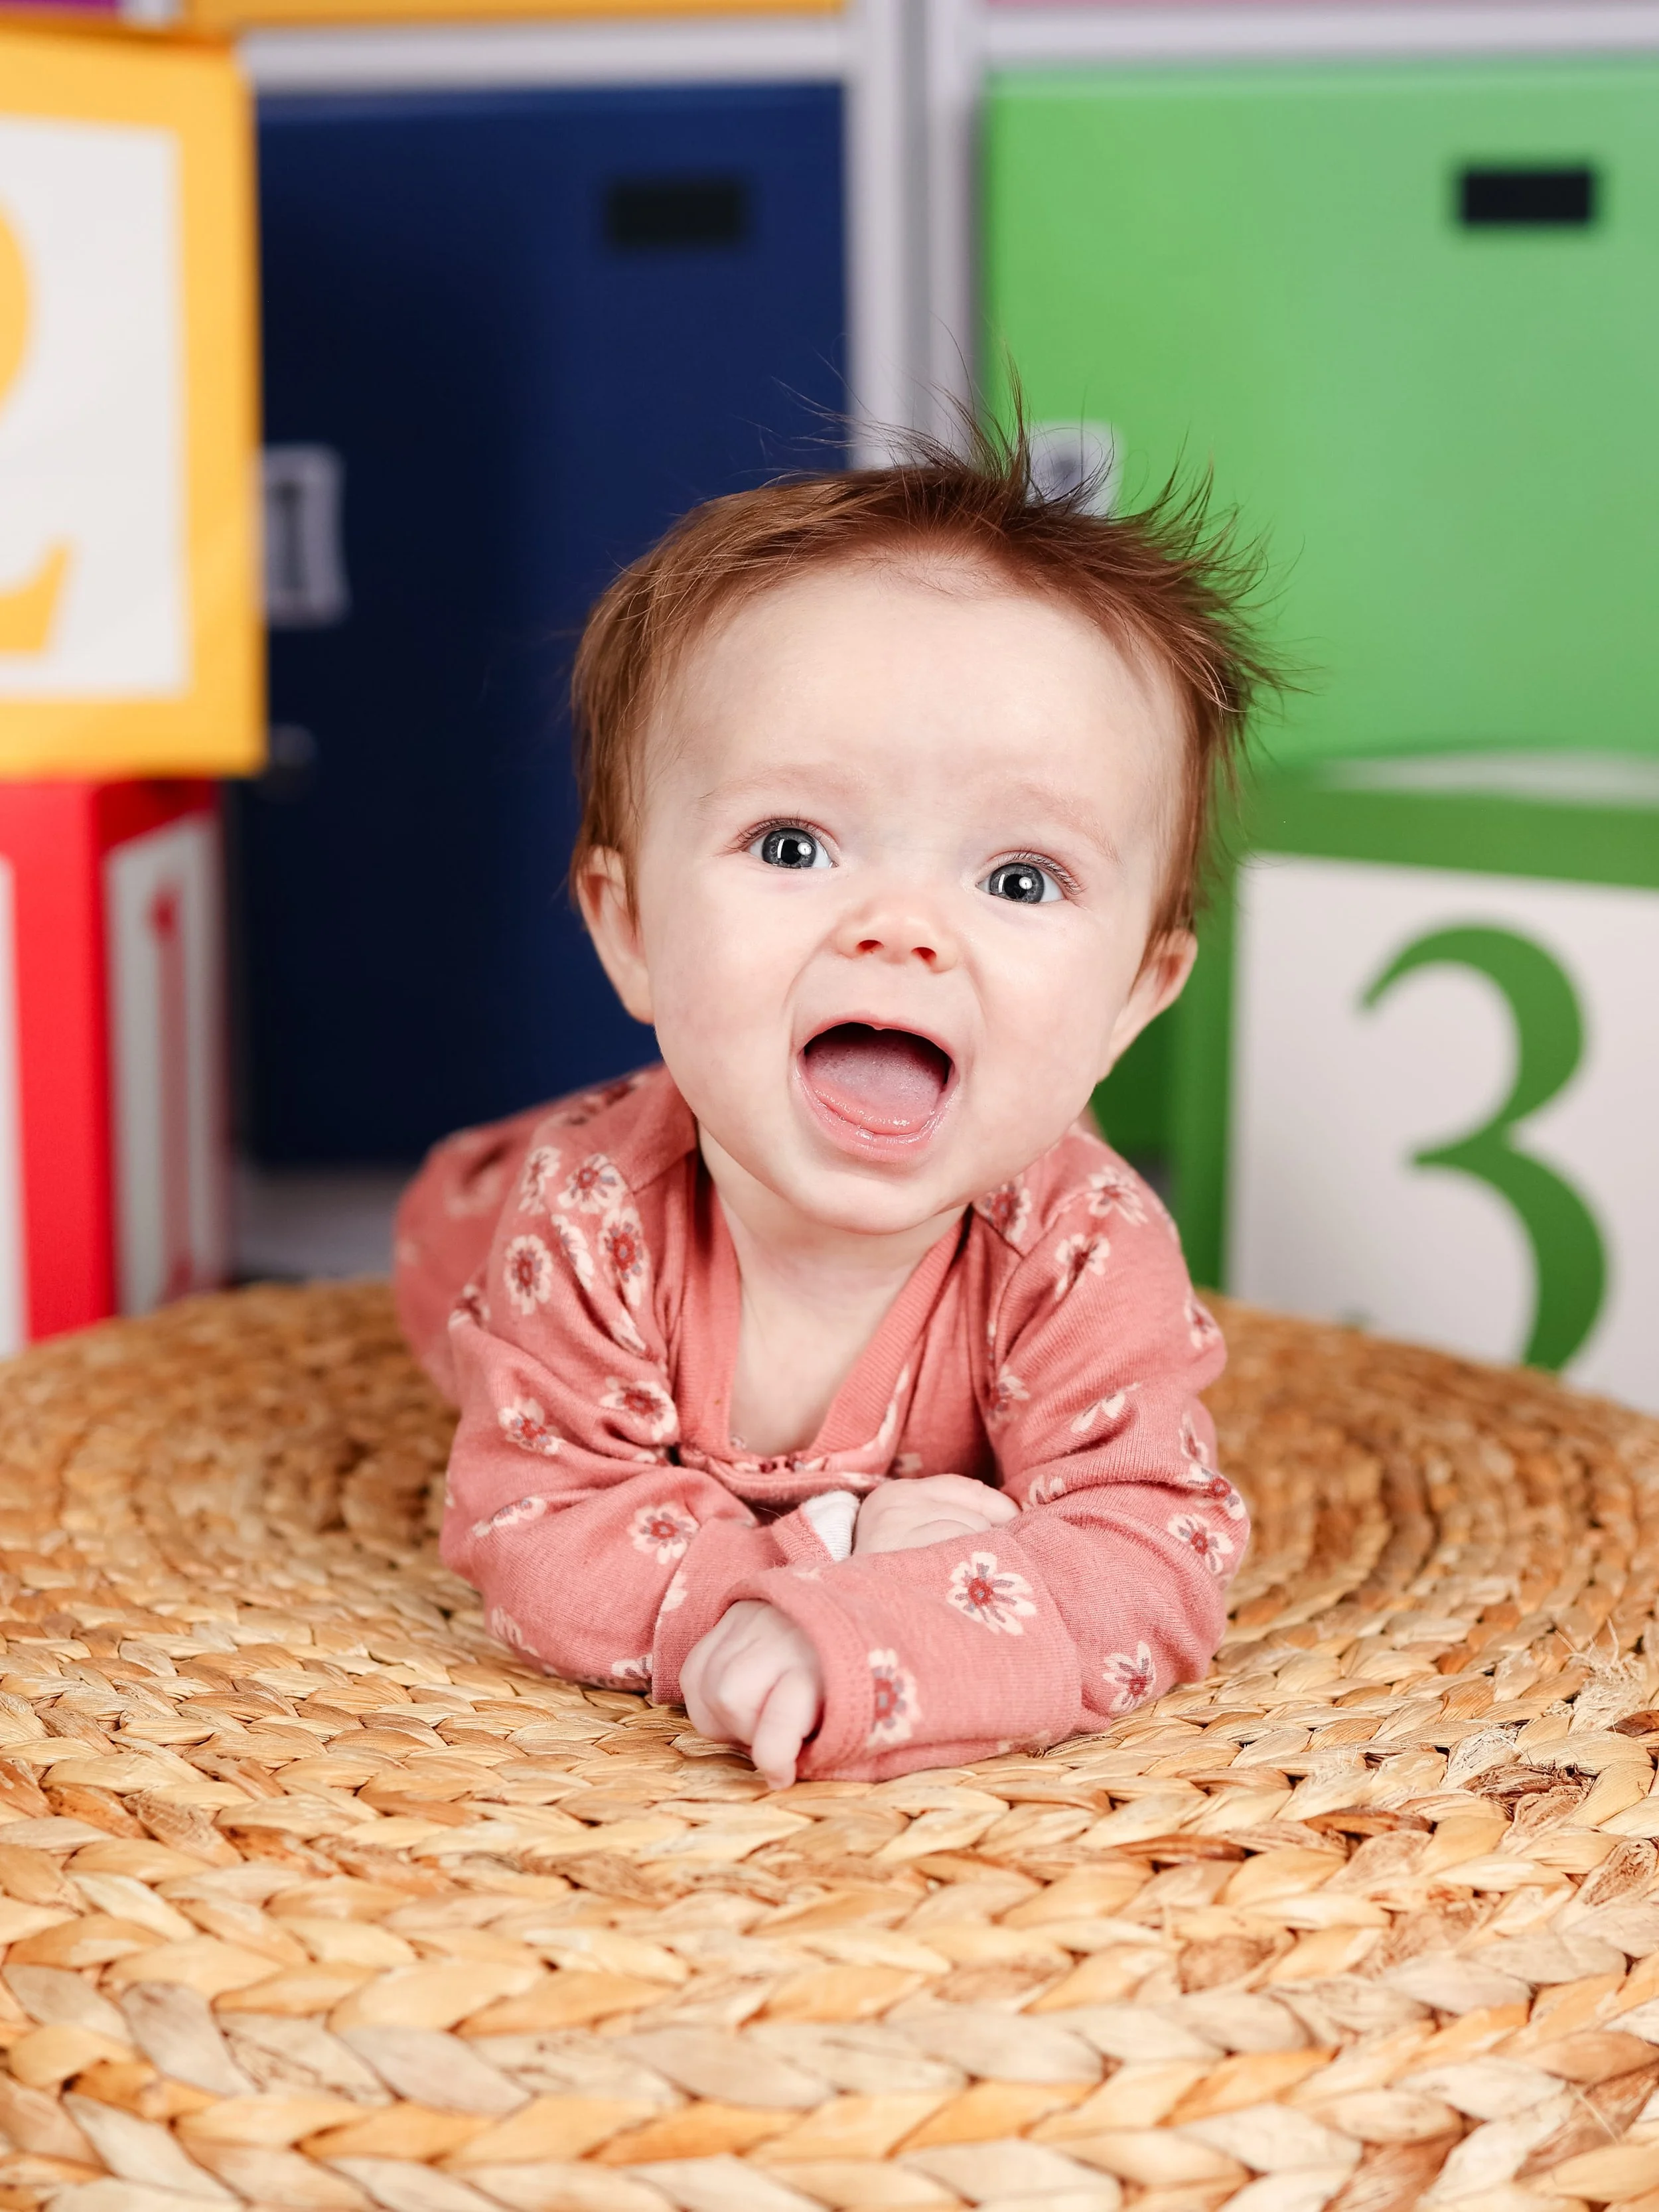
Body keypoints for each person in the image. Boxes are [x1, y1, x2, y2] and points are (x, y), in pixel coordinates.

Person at [394, 421, 1270, 1787]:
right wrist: (830, 1555)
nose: (899, 930)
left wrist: (883, 1639)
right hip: (469, 1224)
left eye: (1020, 879)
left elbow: (1151, 1553)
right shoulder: (590, 1215)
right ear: (630, 929)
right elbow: (538, 1524)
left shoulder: (1079, 1242)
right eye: (793, 844)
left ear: (1133, 999)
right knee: (506, 1214)